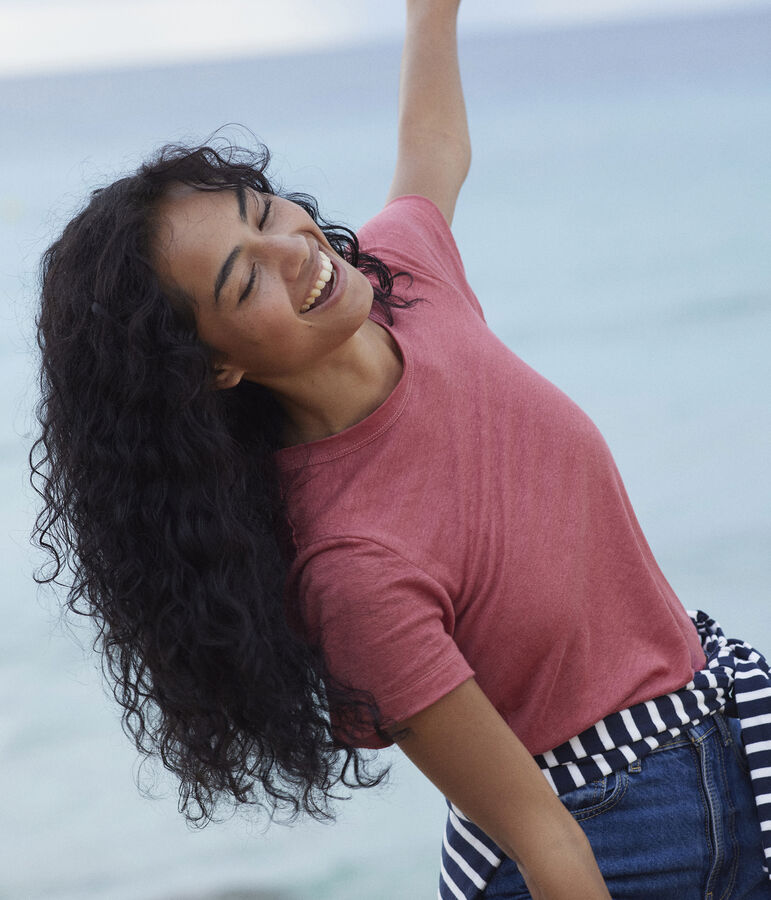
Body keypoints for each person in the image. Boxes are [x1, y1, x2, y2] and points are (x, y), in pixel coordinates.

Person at [31, 1, 771, 897]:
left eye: (262, 211)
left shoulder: (406, 276)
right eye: (244, 276)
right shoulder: (352, 571)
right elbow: (549, 849)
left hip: (730, 728)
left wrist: (430, 13)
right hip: (608, 834)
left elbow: (433, 148)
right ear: (213, 366)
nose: (291, 248)